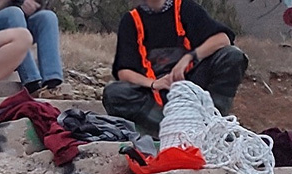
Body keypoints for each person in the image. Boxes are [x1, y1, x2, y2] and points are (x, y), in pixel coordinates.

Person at [103, 0, 247, 135]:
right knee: (113, 93)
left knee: (232, 56)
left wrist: (189, 57)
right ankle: (167, 129)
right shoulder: (131, 20)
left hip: (194, 88)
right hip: (156, 98)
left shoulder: (185, 8)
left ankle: (213, 123)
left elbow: (223, 39)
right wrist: (153, 84)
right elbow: (124, 71)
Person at [0, 0, 63, 94]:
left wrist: (32, 6)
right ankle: (32, 83)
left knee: (47, 17)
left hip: (13, 27)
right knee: (14, 13)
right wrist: (5, 4)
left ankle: (51, 84)